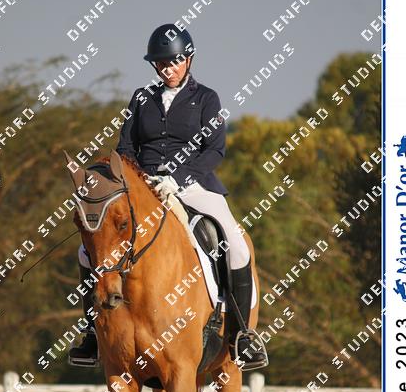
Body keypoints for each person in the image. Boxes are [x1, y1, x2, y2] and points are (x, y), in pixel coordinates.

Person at [69, 23, 268, 370]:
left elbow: (215, 150)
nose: (167, 69)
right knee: (87, 252)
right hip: (143, 188)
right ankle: (91, 333)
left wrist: (178, 178)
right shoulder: (141, 98)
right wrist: (138, 180)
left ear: (188, 60)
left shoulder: (206, 98)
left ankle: (242, 335)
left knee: (236, 245)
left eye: (173, 62)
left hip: (193, 186)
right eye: (160, 64)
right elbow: (125, 147)